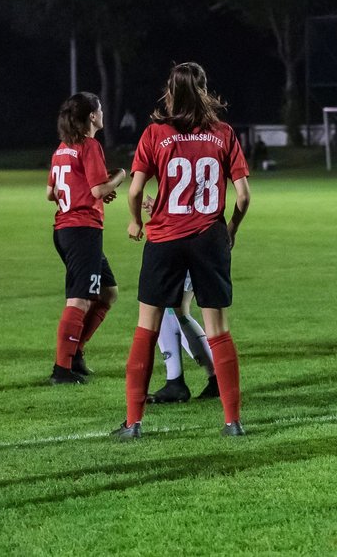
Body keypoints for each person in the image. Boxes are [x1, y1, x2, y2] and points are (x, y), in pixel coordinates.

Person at [117, 62, 251, 438]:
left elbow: (133, 190)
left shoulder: (155, 133)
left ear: (170, 92)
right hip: (209, 237)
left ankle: (133, 422)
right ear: (205, 90)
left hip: (164, 239)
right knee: (219, 330)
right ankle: (232, 422)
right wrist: (232, 228)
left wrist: (136, 222)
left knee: (147, 327)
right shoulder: (223, 133)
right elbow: (243, 196)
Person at [47, 93, 126, 384]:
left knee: (108, 292)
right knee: (80, 299)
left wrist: (93, 188)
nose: (103, 113)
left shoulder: (62, 147)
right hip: (82, 230)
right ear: (92, 116)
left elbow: (50, 193)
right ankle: (62, 369)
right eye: (100, 109)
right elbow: (97, 191)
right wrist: (119, 176)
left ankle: (75, 351)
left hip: (65, 229)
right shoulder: (89, 145)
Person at [149, 279, 219, 403]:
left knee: (165, 305)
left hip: (179, 260)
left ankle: (175, 383)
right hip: (196, 259)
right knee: (176, 310)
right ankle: (217, 378)